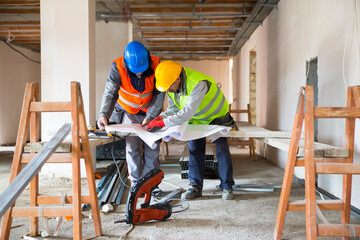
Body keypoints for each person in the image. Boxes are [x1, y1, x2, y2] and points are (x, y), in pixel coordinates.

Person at [147, 60, 235, 200]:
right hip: (197, 118)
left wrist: (163, 122)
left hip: (216, 116)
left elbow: (187, 112)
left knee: (221, 149)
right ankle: (194, 186)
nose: (168, 90)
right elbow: (174, 109)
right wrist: (159, 118)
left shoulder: (197, 83)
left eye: (169, 86)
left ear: (178, 78)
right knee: (194, 148)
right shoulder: (170, 87)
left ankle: (227, 186)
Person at [97, 41, 164, 183]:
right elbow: (110, 93)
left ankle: (152, 184)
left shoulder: (157, 65)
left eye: (142, 68)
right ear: (127, 63)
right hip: (128, 113)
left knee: (152, 147)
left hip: (150, 113)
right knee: (132, 147)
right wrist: (103, 115)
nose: (139, 72)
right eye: (136, 69)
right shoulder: (117, 67)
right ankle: (136, 183)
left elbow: (159, 95)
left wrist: (151, 116)